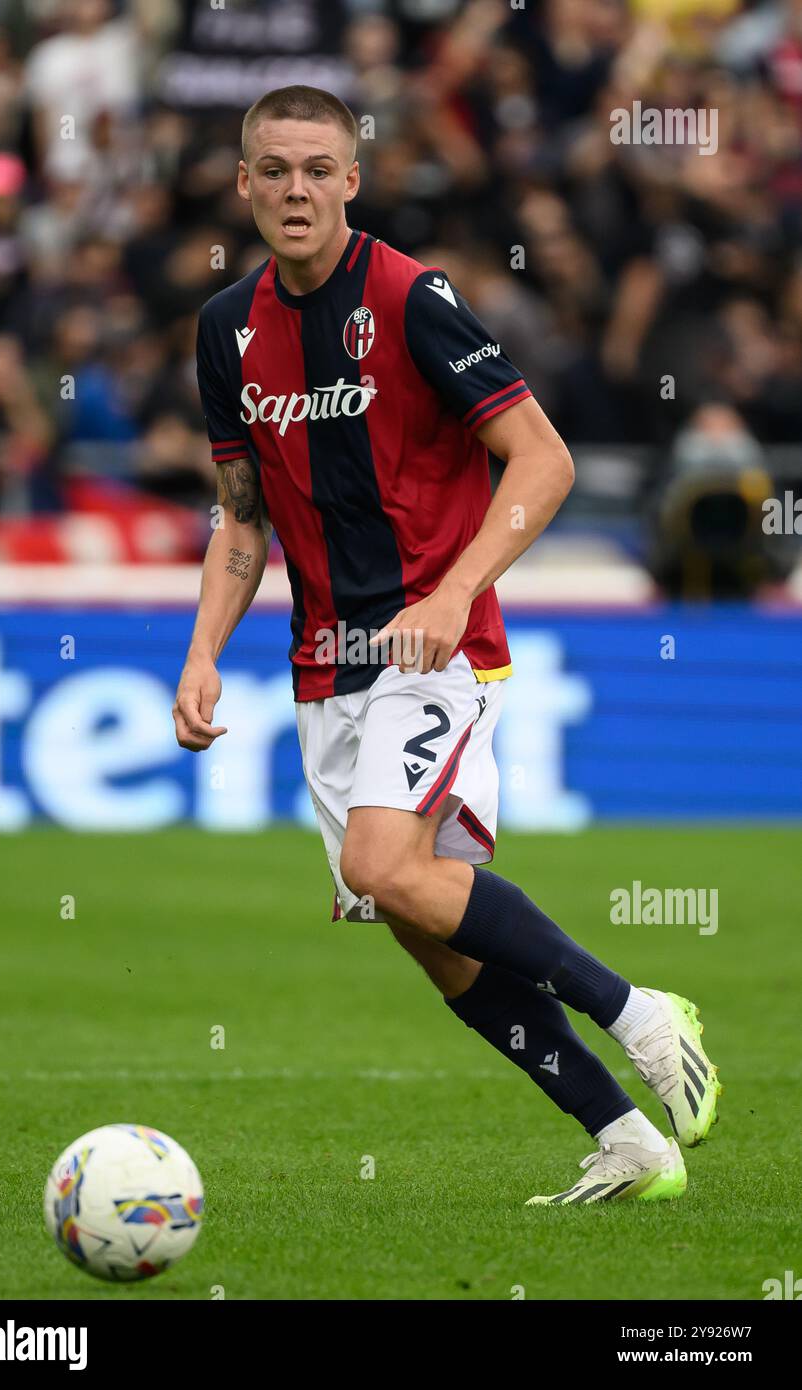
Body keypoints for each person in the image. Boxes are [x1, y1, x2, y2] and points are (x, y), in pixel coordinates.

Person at [173, 85, 721, 1205]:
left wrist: (455, 590)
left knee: (384, 868)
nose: (295, 188)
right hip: (323, 666)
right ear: (242, 184)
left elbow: (544, 460)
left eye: (317, 168)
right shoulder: (225, 326)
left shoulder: (411, 297)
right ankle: (624, 1137)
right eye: (273, 168)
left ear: (351, 181)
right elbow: (242, 515)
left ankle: (637, 1010)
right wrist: (201, 653)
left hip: (435, 642)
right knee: (422, 924)